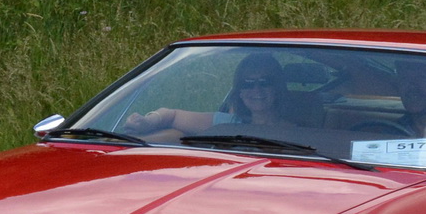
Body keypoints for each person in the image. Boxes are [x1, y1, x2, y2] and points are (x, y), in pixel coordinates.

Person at [126, 52, 303, 137]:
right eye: (247, 84)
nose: (256, 90)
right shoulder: (225, 123)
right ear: (239, 91)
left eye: (265, 82)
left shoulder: (298, 133)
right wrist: (147, 122)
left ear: (277, 87)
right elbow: (172, 115)